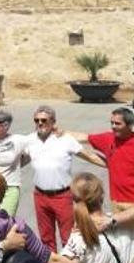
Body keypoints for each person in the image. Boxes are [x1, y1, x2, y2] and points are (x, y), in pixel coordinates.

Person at [24, 105, 105, 252]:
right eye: (36, 120)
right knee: (46, 236)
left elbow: (88, 155)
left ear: (53, 121)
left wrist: (113, 165)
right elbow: (19, 160)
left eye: (44, 120)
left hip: (62, 195)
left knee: (68, 235)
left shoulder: (66, 139)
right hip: (40, 195)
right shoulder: (29, 140)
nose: (40, 123)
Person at [62, 107, 134, 213]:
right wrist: (60, 132)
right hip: (115, 202)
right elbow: (84, 137)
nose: (113, 126)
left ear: (129, 125)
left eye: (118, 123)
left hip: (132, 203)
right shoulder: (109, 139)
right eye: (112, 123)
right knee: (120, 230)